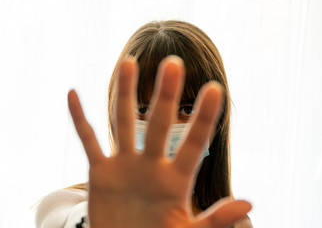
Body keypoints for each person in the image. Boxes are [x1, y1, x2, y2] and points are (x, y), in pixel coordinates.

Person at [35, 20, 253, 228]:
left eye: (187, 109)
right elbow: (62, 220)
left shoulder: (231, 222)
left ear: (218, 120)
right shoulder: (67, 203)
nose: (165, 126)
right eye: (142, 109)